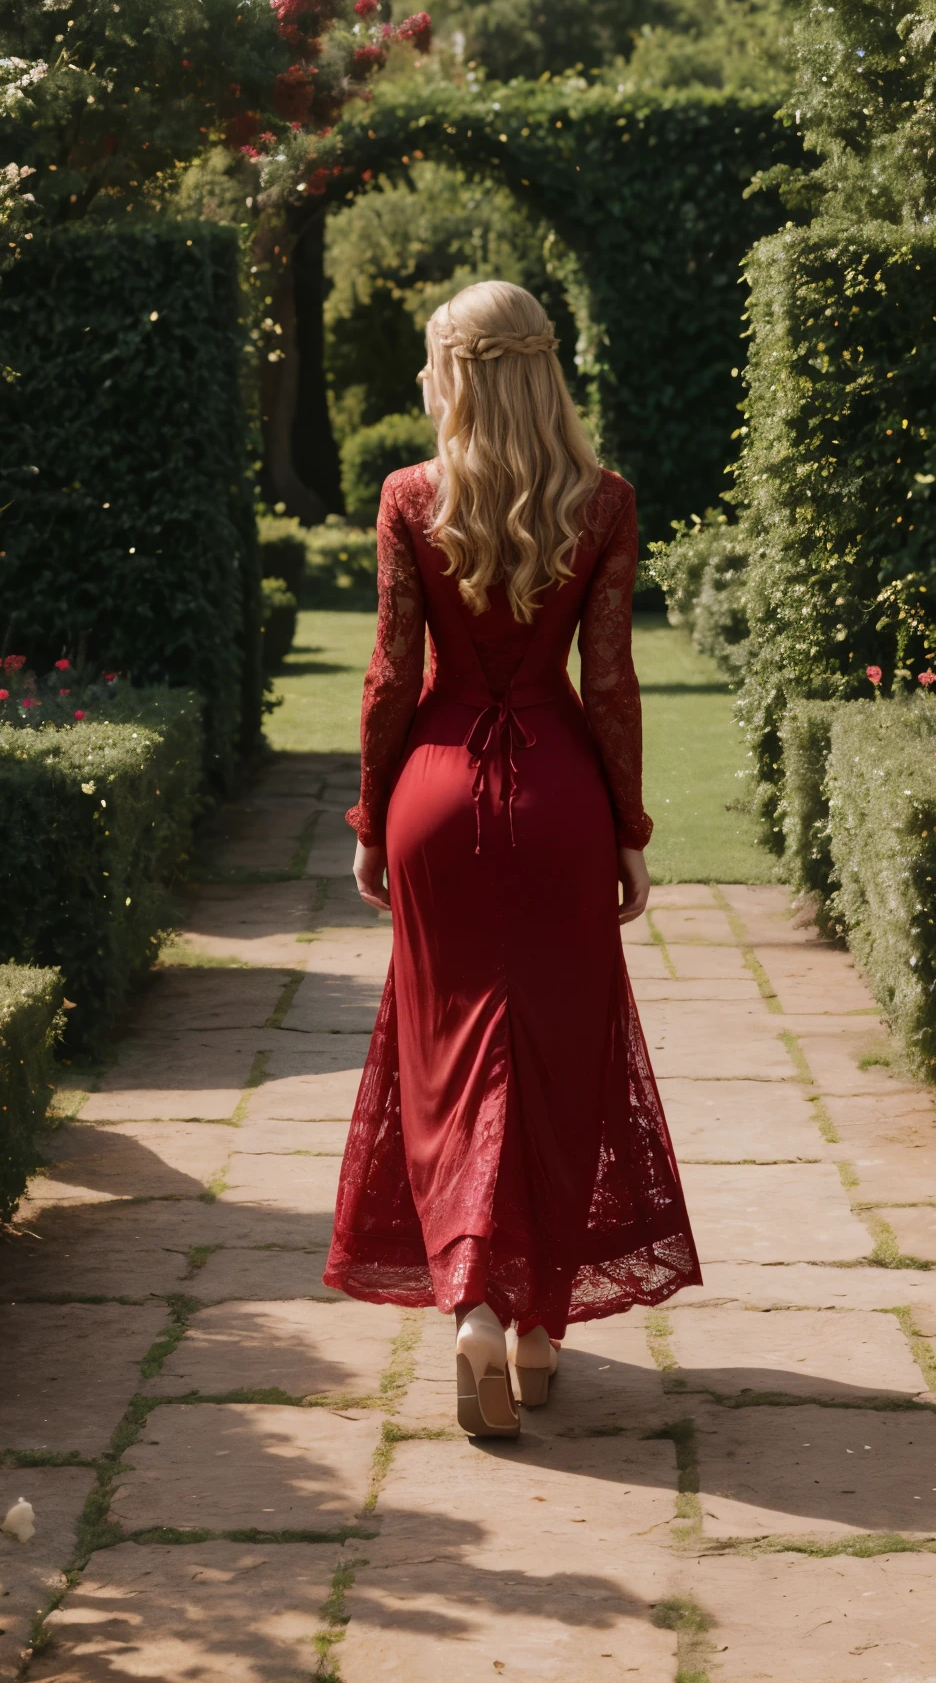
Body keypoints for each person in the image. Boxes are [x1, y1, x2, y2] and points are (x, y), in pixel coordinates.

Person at [323, 279, 701, 1437]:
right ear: (543, 369)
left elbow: (392, 676)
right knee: (555, 1057)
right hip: (559, 801)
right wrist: (628, 829)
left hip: (437, 801)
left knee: (448, 1061)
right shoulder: (604, 502)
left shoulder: (409, 497)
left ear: (456, 373)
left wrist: (372, 812)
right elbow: (612, 683)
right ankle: (535, 1328)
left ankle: (475, 1308)